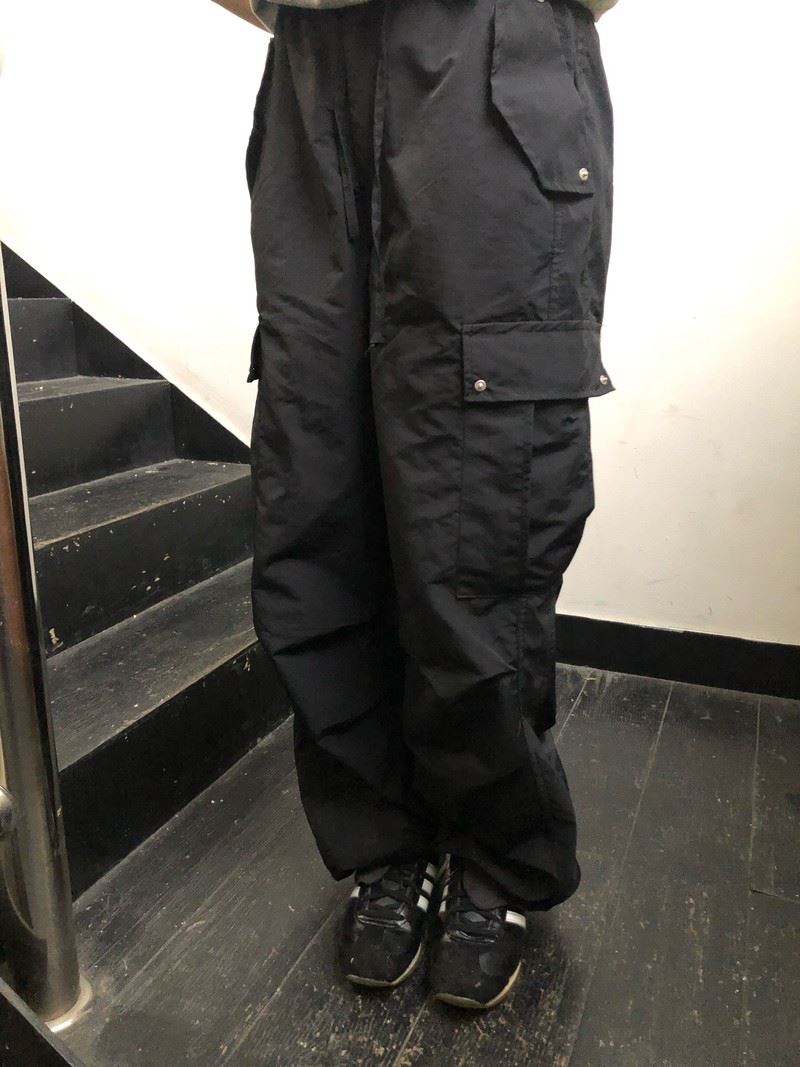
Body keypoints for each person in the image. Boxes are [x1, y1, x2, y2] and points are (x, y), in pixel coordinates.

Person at [214, 0, 618, 1010]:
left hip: (490, 60)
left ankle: (496, 856)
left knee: (481, 505)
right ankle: (384, 841)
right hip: (315, 78)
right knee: (318, 491)